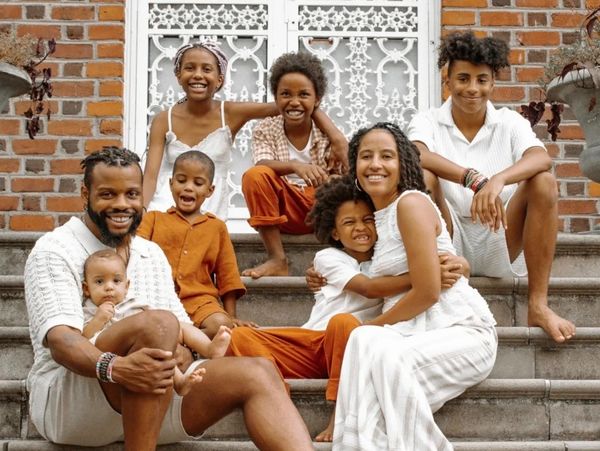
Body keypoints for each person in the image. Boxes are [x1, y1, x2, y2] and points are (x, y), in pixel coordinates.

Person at [23, 146, 313, 450]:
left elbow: (179, 327)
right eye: (108, 194)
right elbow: (62, 342)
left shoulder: (151, 254)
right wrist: (119, 368)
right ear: (86, 195)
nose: (122, 205)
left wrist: (185, 353)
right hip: (73, 403)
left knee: (258, 371)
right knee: (156, 324)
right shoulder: (55, 249)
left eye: (132, 195)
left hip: (155, 399)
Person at [229, 176, 468, 442]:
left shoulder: (389, 258)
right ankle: (276, 394)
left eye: (367, 220)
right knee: (241, 337)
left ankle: (337, 415)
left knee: (346, 324)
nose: (360, 228)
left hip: (354, 344)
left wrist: (453, 267)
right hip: (315, 343)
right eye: (348, 222)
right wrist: (426, 275)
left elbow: (457, 263)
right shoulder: (327, 258)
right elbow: (368, 288)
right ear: (334, 233)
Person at [332, 122, 498, 450]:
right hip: (408, 337)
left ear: (403, 164)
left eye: (386, 156)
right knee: (373, 390)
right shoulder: (374, 218)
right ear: (355, 167)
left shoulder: (410, 204)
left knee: (369, 342)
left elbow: (428, 292)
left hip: (459, 331)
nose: (375, 164)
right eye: (366, 156)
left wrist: (370, 327)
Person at [406, 31, 575, 343]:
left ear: (493, 83)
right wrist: (473, 178)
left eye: (482, 80)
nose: (473, 88)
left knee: (544, 183)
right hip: (448, 236)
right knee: (423, 178)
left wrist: (497, 180)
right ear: (448, 80)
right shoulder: (428, 120)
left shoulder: (509, 122)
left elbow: (540, 158)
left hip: (502, 234)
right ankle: (431, 296)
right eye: (463, 78)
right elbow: (417, 153)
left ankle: (538, 305)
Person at [143, 42, 348, 220]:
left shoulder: (231, 113)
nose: (198, 75)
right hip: (168, 197)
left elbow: (291, 105)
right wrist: (141, 210)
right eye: (189, 68)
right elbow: (151, 176)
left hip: (209, 199)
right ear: (178, 76)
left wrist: (337, 137)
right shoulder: (163, 119)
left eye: (206, 69)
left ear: (220, 79)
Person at [241, 52, 347, 278]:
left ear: (317, 100)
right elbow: (262, 163)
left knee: (341, 185)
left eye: (304, 95)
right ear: (276, 98)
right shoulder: (266, 128)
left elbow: (350, 166)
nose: (294, 102)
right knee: (255, 175)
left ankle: (345, 256)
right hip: (284, 210)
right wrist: (296, 166)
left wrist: (336, 136)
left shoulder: (326, 133)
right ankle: (278, 259)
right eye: (285, 94)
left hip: (319, 213)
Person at [81, 248, 232, 395]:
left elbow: (152, 316)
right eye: (100, 282)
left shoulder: (132, 301)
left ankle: (208, 349)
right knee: (156, 349)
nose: (109, 287)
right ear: (86, 288)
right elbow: (84, 339)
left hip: (148, 340)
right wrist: (98, 320)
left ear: (126, 286)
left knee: (179, 327)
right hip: (122, 351)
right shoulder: (90, 309)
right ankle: (179, 382)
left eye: (116, 281)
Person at [138, 150, 253, 338]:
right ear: (171, 183)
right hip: (157, 297)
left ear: (210, 190)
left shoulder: (216, 227)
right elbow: (135, 254)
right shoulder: (153, 219)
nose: (188, 188)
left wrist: (231, 316)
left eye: (198, 183)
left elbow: (227, 275)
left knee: (221, 325)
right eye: (181, 180)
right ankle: (191, 341)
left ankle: (184, 341)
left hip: (200, 301)